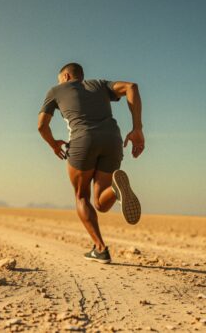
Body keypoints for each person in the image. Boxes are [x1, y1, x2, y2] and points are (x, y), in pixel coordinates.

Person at [37, 62, 144, 264]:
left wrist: (53, 144)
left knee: (81, 196)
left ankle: (101, 248)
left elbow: (42, 126)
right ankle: (115, 190)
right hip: (112, 140)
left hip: (82, 140)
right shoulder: (100, 84)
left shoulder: (56, 90)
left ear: (66, 77)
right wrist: (137, 128)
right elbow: (132, 87)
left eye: (60, 79)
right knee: (101, 204)